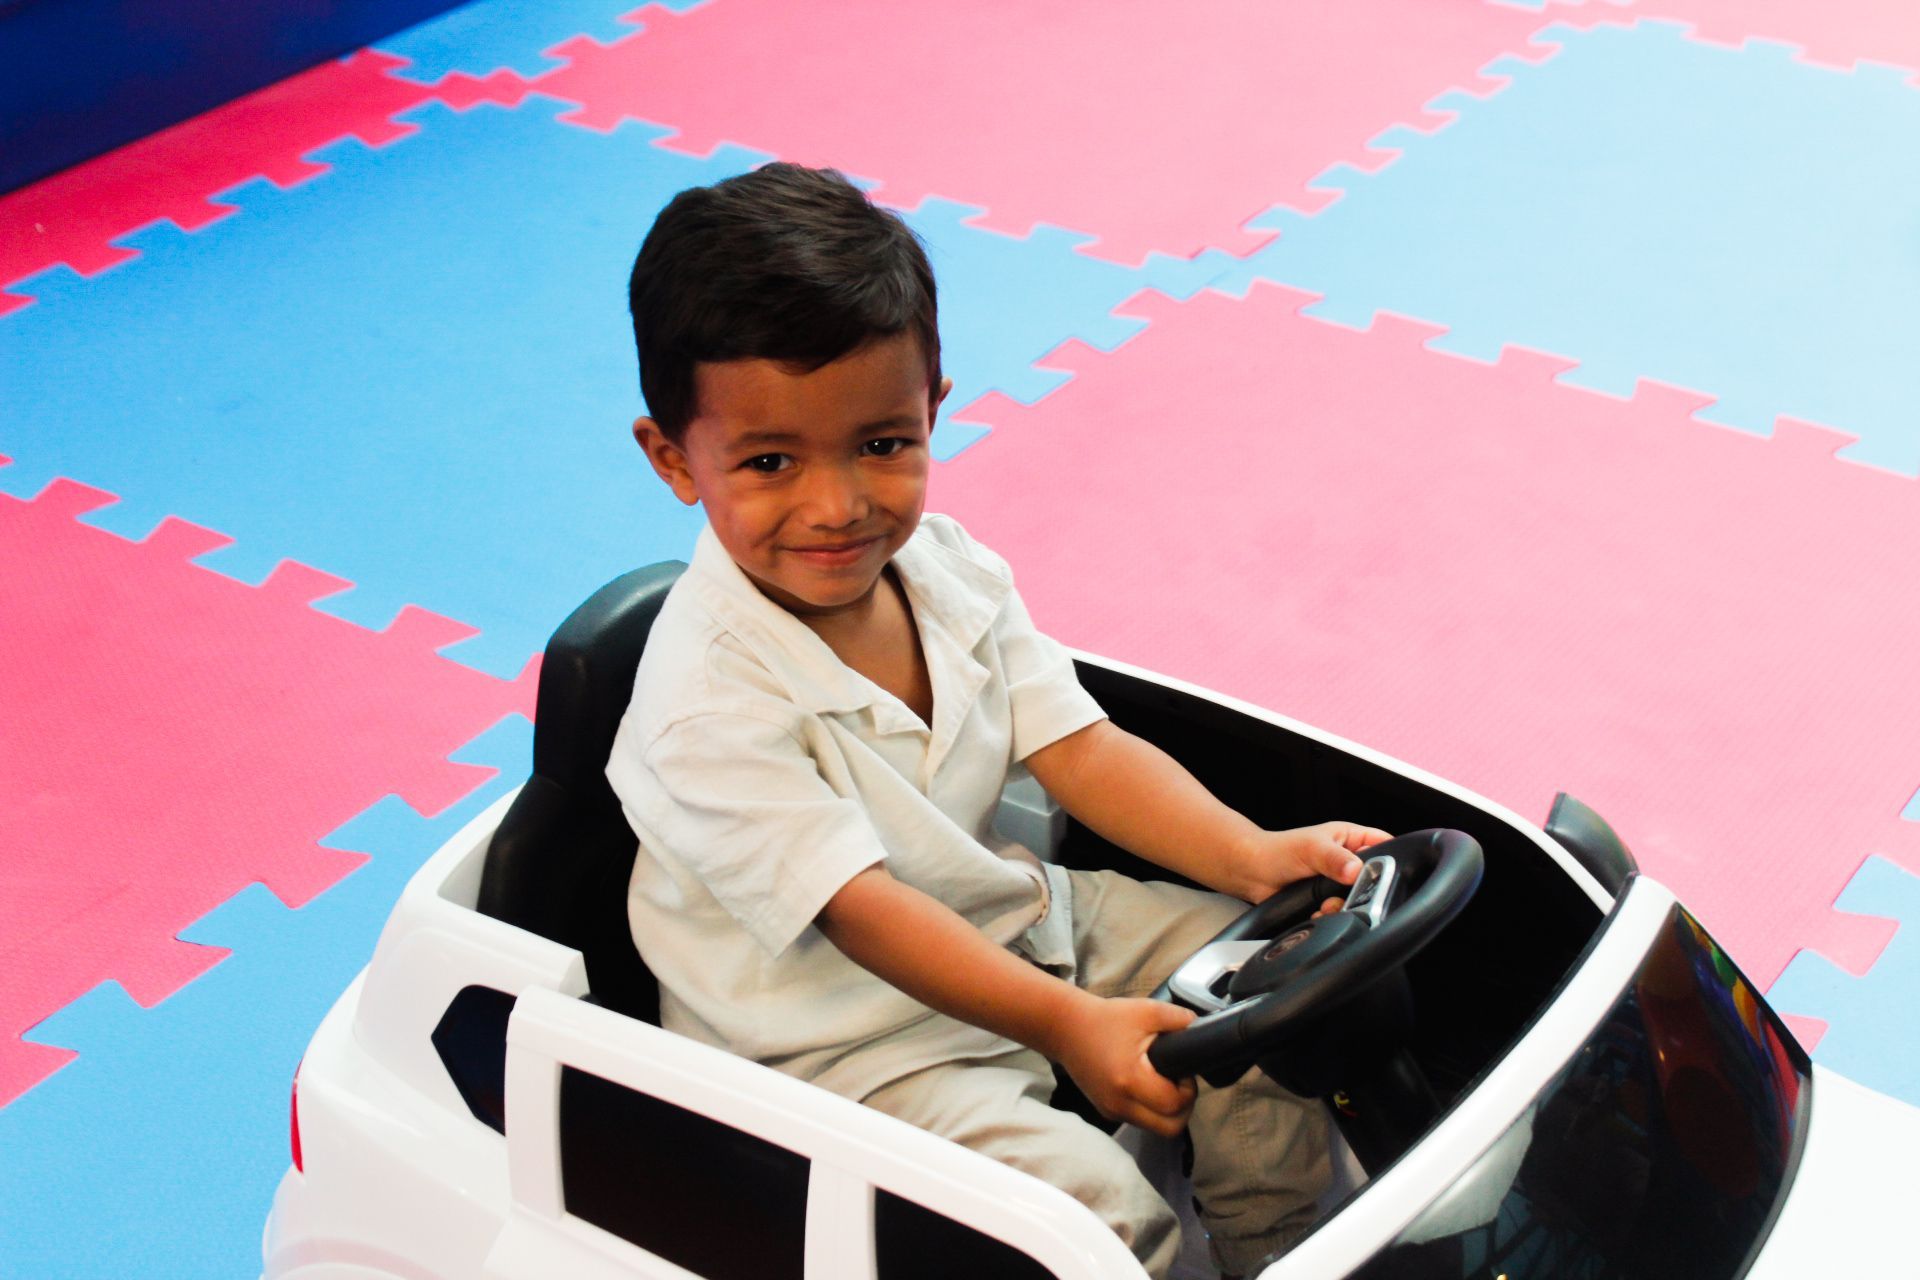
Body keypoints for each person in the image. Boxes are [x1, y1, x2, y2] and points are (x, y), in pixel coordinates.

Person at [606, 162, 1390, 1278]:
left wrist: (1252, 854)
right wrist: (1068, 1023)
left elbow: (1084, 748)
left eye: (881, 444)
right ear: (674, 458)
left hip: (1018, 915)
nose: (839, 505)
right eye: (772, 462)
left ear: (933, 405)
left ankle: (1286, 1245)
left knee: (1267, 994)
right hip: (841, 1042)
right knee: (1094, 1223)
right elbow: (865, 912)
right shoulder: (701, 704)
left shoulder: (949, 570)